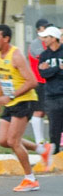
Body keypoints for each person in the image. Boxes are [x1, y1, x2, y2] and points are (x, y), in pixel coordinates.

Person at [0, 24, 41, 192]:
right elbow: (2, 77)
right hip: (10, 102)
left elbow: (32, 82)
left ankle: (30, 179)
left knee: (13, 141)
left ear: (6, 38)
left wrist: (11, 96)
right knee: (3, 141)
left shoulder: (16, 55)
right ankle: (40, 148)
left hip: (24, 101)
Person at [36, 25, 63, 158]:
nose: (44, 40)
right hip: (51, 96)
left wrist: (50, 70)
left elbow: (47, 71)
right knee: (54, 127)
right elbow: (43, 74)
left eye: (46, 37)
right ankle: (56, 154)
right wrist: (58, 68)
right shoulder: (44, 55)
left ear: (53, 38)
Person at [29, 18, 52, 162]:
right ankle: (40, 141)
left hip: (49, 81)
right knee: (39, 111)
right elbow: (44, 59)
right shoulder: (36, 44)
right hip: (40, 82)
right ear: (39, 29)